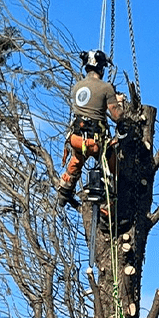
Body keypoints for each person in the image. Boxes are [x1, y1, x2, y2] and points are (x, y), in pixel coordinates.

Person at [57, 49, 126, 208]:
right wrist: (119, 101)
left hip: (76, 138)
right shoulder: (106, 87)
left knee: (77, 159)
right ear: (101, 68)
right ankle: (107, 209)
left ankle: (64, 191)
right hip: (96, 141)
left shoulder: (77, 86)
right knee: (112, 165)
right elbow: (117, 115)